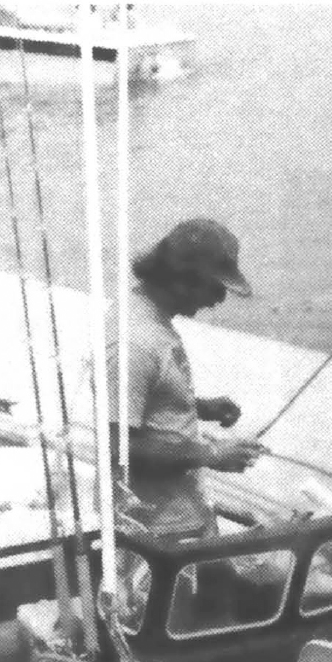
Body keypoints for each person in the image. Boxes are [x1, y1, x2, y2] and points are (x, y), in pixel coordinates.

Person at [88, 218, 267, 538]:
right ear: (183, 279)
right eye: (215, 288)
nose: (218, 300)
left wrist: (198, 407)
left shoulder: (142, 314)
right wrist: (212, 454)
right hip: (158, 532)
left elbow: (140, 402)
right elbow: (118, 447)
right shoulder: (136, 343)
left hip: (178, 515)